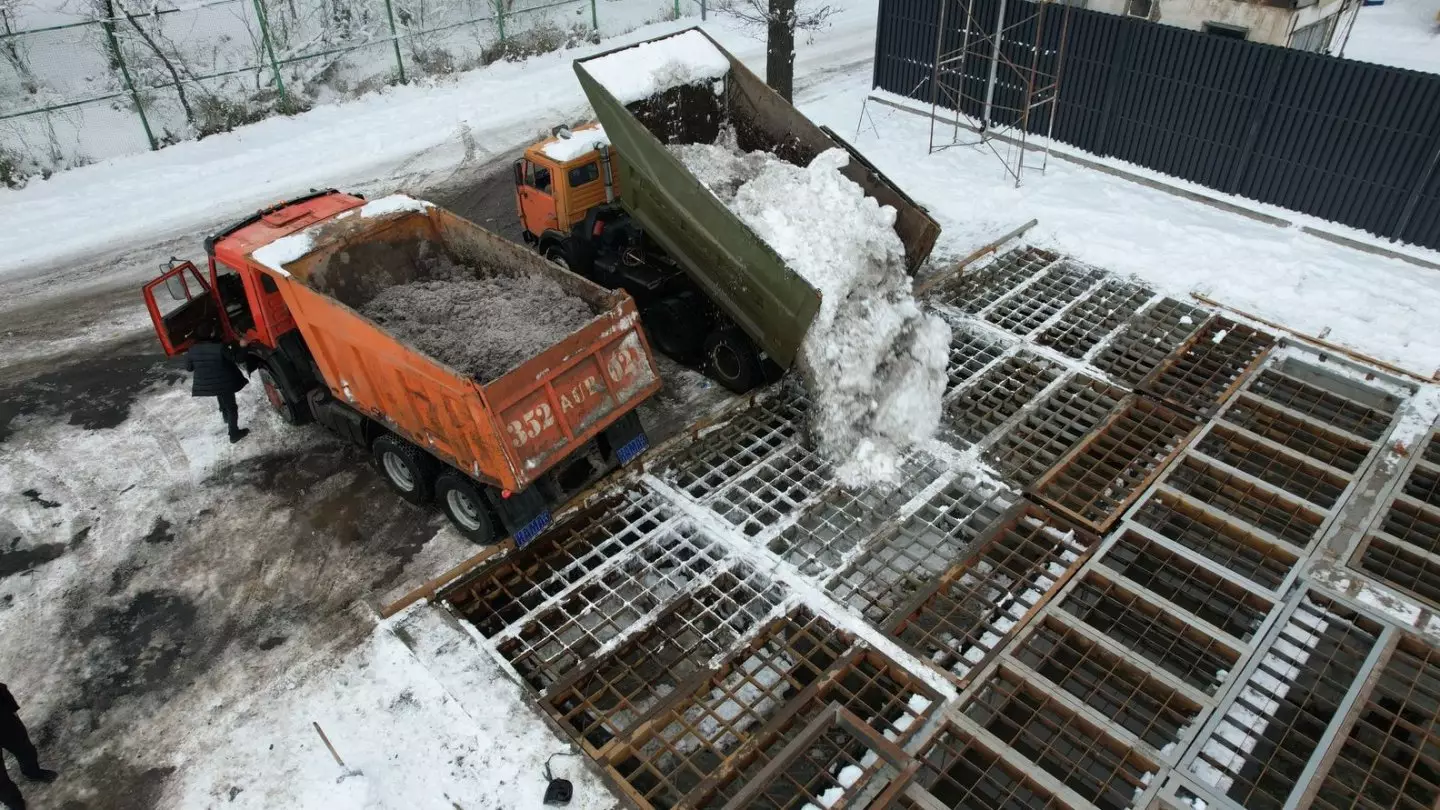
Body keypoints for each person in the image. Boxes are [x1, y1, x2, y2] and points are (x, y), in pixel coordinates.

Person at [185, 322, 251, 443]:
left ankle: (225, 416)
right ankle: (234, 434)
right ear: (211, 333)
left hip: (208, 383)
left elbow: (189, 368)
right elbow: (238, 359)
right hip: (224, 382)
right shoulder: (220, 347)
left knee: (221, 395)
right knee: (232, 407)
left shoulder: (192, 349)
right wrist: (243, 346)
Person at [0, 683, 57, 810]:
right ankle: (13, 801)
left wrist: (11, 708)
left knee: (25, 749)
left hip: (3, 719)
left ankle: (32, 772)